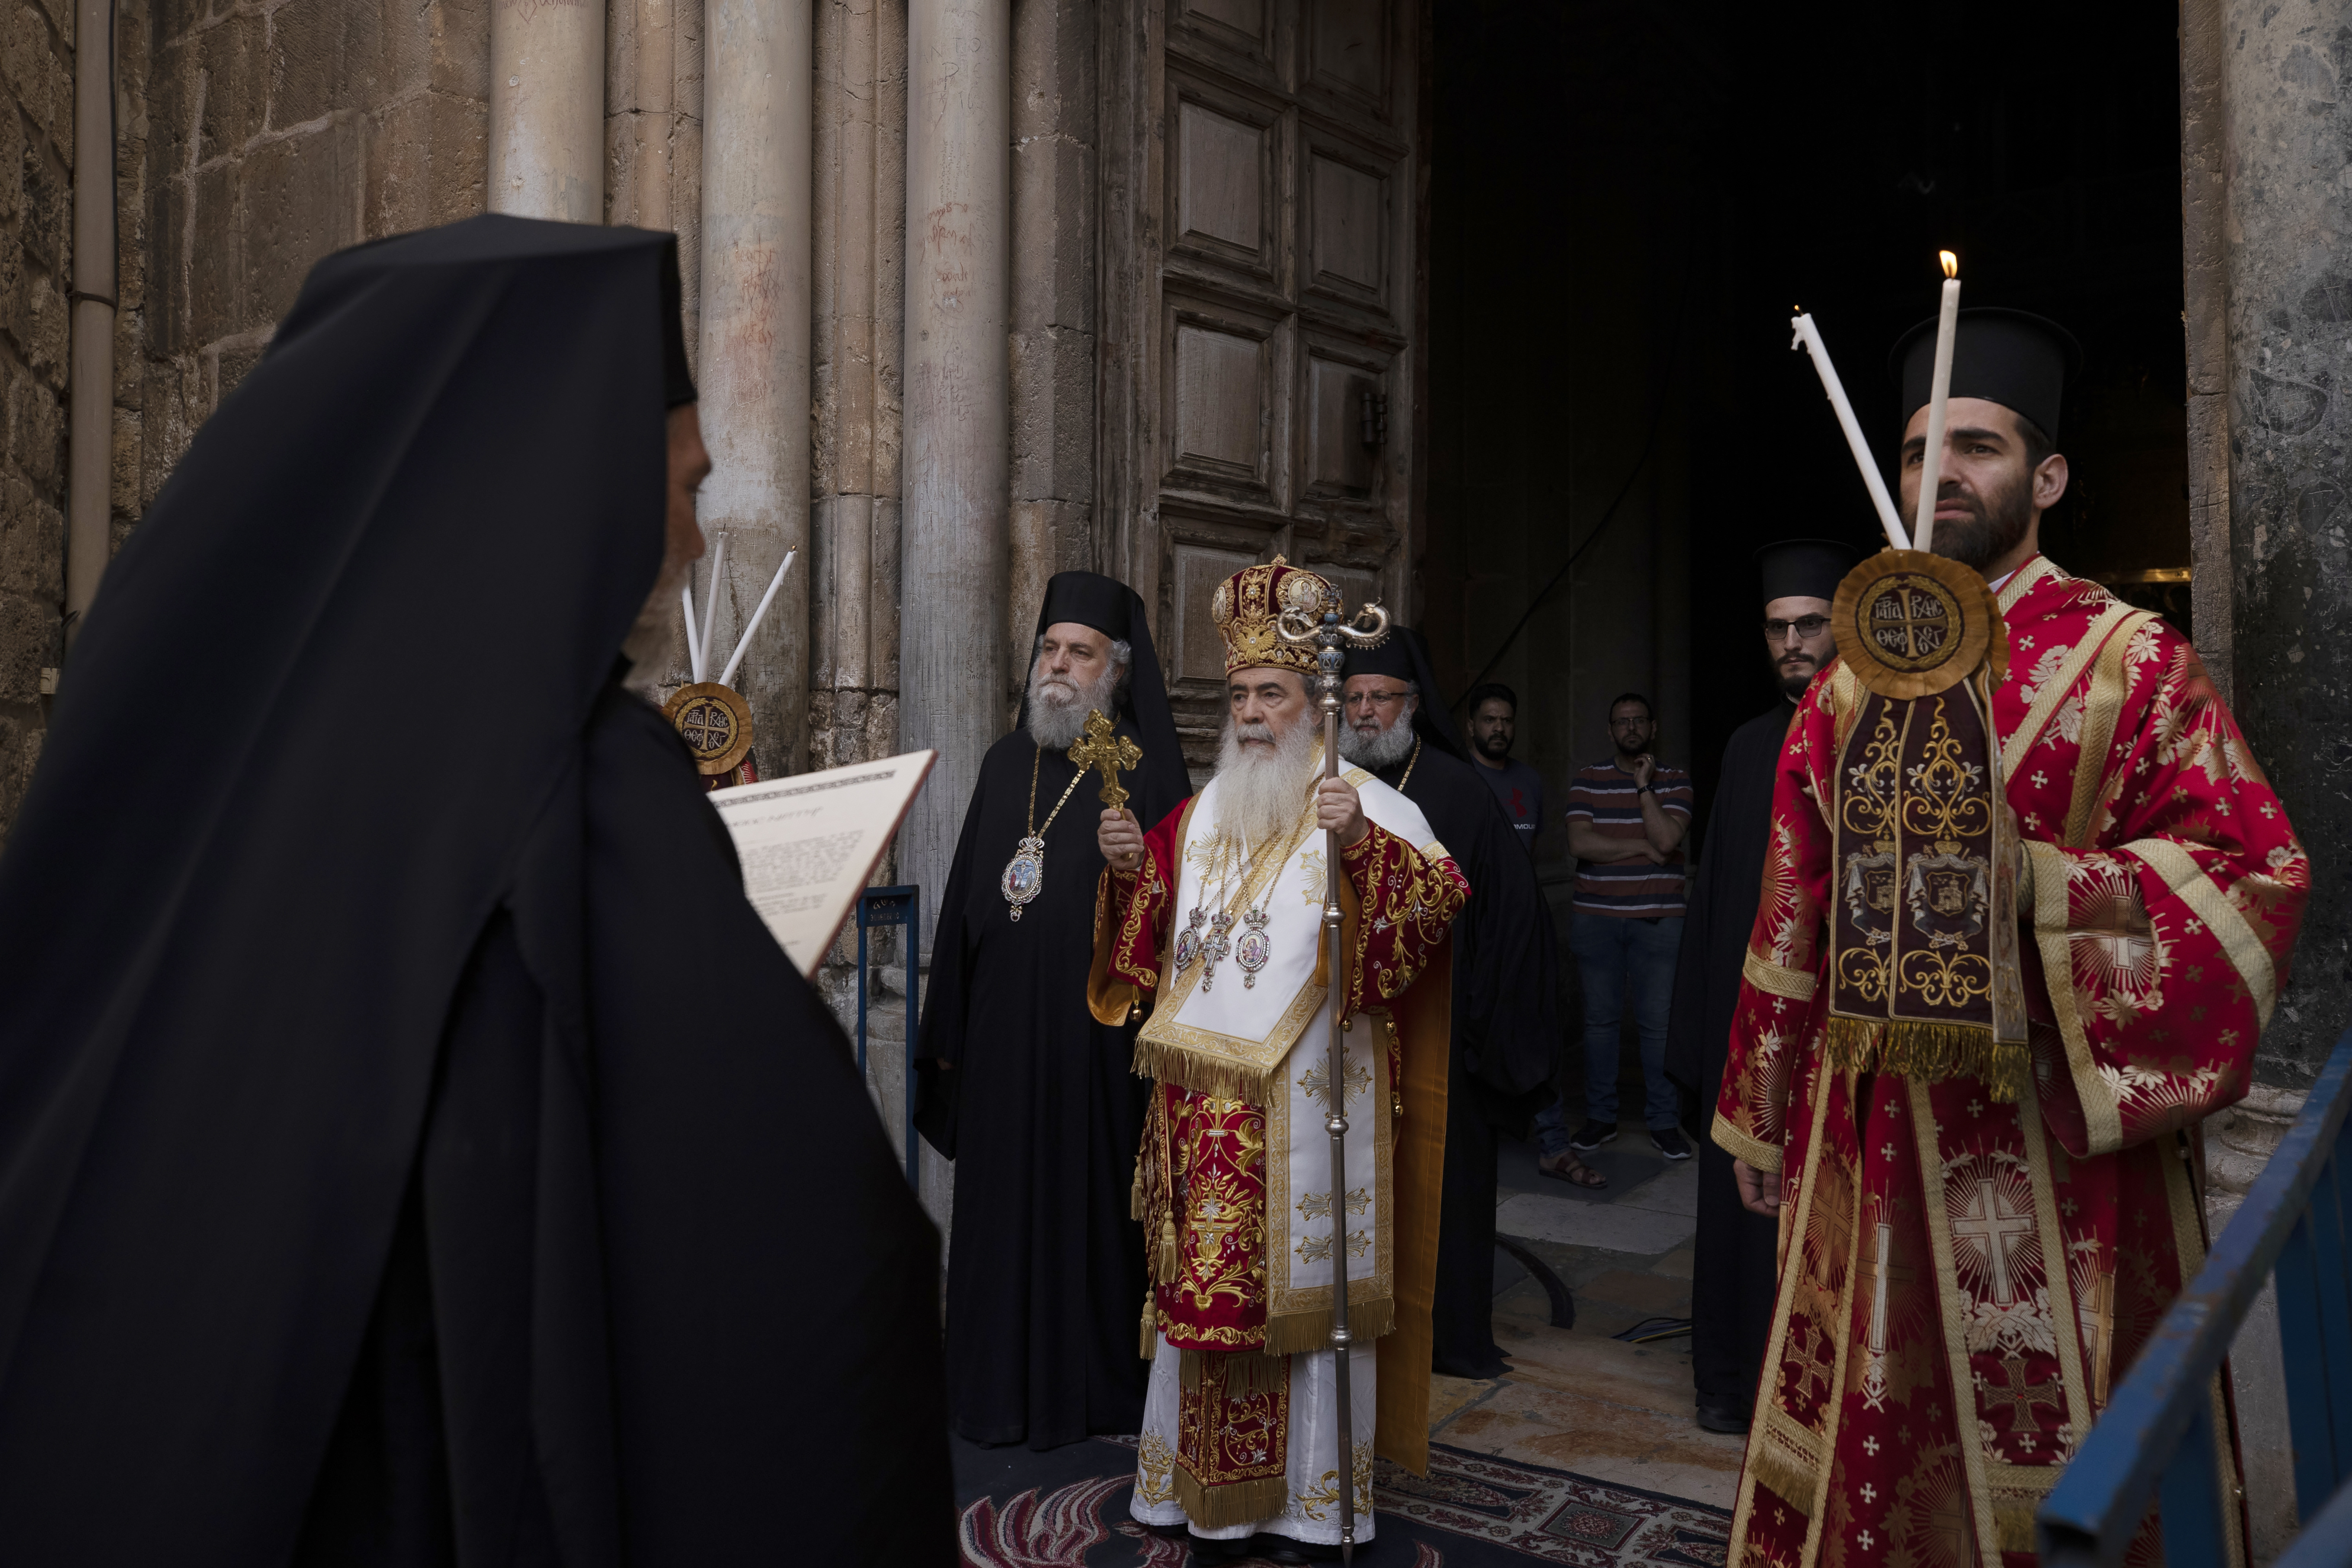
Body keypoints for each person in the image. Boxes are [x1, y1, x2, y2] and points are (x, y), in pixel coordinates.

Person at [0, 217, 953, 1563]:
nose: (691, 538)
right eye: (684, 484)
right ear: (565, 483)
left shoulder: (206, 739)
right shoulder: (579, 780)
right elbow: (810, 1261)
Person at [1714, 309, 2308, 1567]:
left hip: (2048, 1139)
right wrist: (1759, 1106)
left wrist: (2038, 884)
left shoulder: (2128, 663)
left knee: (2067, 1429)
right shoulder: (1845, 679)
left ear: (2042, 480)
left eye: (1974, 449)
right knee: (1869, 1417)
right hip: (1864, 1131)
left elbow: (2249, 877)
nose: (1940, 478)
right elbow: (1790, 902)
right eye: (1920, 450)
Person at [1092, 558, 1468, 1561]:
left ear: (1316, 704)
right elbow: (1150, 938)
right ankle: (1188, 1492)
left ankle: (1309, 1502)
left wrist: (1365, 853)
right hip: (1202, 1121)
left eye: (1274, 692)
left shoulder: (1370, 808)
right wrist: (1130, 870)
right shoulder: (1205, 809)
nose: (1253, 711)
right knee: (1200, 1314)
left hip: (1308, 1115)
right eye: (1241, 693)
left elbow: (1428, 923)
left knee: (1303, 1317)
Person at [914, 571, 1188, 1449]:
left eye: (1081, 651)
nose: (1059, 665)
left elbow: (1181, 922)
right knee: (996, 1209)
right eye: (1051, 648)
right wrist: (949, 1036)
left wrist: (1129, 871)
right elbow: (966, 903)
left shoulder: (1141, 772)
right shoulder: (1006, 762)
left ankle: (1090, 1391)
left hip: (1092, 1048)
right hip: (1000, 1041)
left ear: (1115, 669)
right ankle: (988, 1386)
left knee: (1086, 1212)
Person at [1337, 628, 1577, 1383]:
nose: (1367, 711)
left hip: (1442, 1034)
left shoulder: (1455, 789)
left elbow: (1512, 921)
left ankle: (1446, 1337)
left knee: (1445, 1196)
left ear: (1413, 705)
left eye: (1382, 698)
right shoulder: (1326, 784)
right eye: (1354, 699)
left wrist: (1483, 1028)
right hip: (1344, 1035)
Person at [1663, 538, 1855, 1437]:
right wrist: (1702, 1042)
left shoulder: (1877, 734)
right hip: (1751, 1029)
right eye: (1778, 627)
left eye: (1809, 623)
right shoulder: (1746, 746)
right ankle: (1730, 1381)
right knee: (1736, 1215)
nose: (1792, 641)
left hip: (1837, 1030)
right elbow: (1712, 905)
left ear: (1842, 624)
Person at [1552, 693, 1696, 1160]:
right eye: (1622, 722)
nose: (1630, 728)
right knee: (1599, 1023)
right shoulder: (1588, 779)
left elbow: (1669, 838)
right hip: (1596, 919)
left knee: (1659, 1026)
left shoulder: (1674, 781)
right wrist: (1644, 848)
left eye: (1638, 721)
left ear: (1652, 728)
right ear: (1610, 729)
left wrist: (1642, 787)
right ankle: (1601, 1119)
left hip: (1658, 922)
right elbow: (1581, 843)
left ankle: (1664, 1122)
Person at [1464, 681, 1544, 857]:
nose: (1500, 728)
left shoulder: (1530, 779)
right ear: (1471, 727)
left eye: (1507, 721)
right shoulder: (1456, 775)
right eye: (1489, 720)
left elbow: (1531, 845)